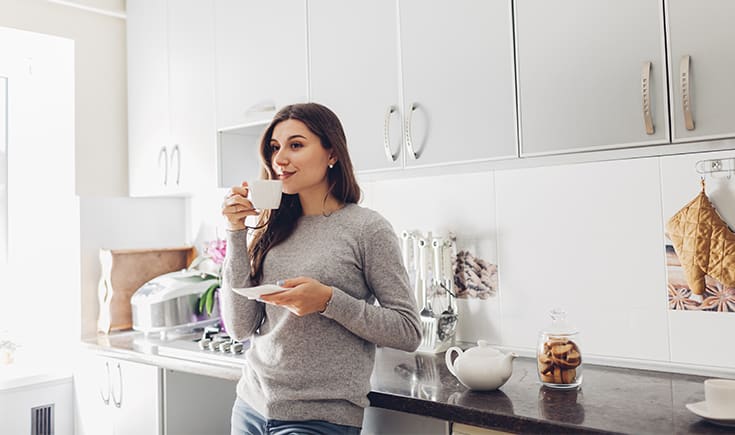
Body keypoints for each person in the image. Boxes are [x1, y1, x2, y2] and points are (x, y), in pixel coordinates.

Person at [220, 102, 422, 435]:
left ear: (332, 153)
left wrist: (329, 301)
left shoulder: (367, 229)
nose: (279, 159)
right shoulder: (270, 226)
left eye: (295, 145)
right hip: (251, 408)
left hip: (319, 420)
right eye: (274, 148)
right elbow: (240, 327)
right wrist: (235, 230)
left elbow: (407, 331)